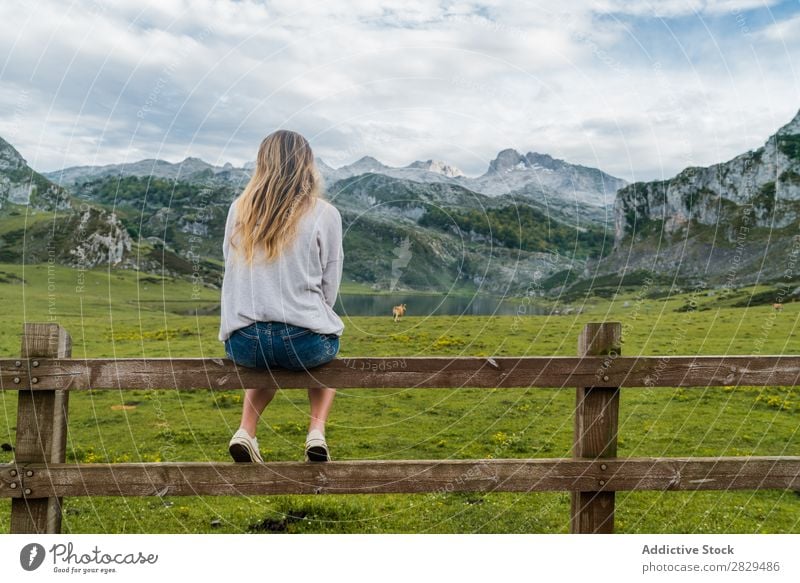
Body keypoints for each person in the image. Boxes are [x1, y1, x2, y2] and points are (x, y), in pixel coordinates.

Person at [218, 130, 344, 463]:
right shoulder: (325, 214)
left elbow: (230, 271)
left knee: (268, 357)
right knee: (324, 345)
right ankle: (316, 432)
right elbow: (329, 286)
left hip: (244, 342)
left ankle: (246, 431)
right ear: (307, 165)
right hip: (305, 342)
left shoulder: (238, 210)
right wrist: (311, 318)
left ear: (263, 164)